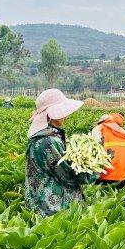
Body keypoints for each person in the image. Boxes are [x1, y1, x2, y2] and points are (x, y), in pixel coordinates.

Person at [25, 89, 96, 217]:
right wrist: (97, 168)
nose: (66, 116)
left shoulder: (43, 137)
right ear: (51, 115)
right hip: (53, 207)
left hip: (42, 201)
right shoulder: (49, 141)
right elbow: (68, 176)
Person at [91, 112, 125, 187]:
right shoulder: (124, 132)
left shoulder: (99, 128)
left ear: (101, 121)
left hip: (109, 170)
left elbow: (92, 148)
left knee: (104, 195)